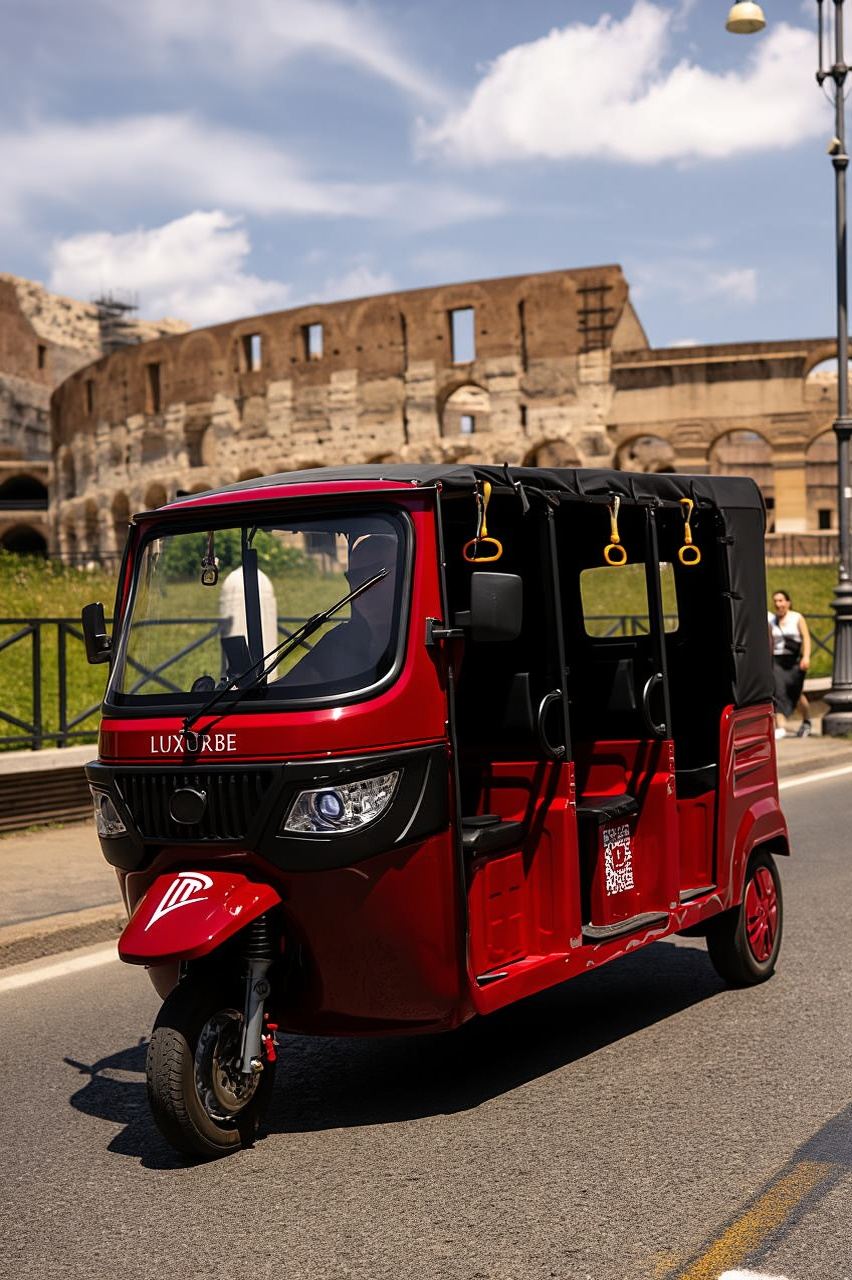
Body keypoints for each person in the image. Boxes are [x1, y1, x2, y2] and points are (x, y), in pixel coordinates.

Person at [277, 532, 398, 693]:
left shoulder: (417, 641)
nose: (363, 586)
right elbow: (290, 687)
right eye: (355, 576)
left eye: (375, 575)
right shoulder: (340, 641)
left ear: (403, 572)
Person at [768, 589, 812, 739]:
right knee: (778, 692)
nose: (778, 604)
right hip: (777, 661)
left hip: (794, 661)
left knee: (797, 694)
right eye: (775, 601)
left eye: (781, 600)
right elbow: (770, 642)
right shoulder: (772, 621)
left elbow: (806, 638)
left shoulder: (796, 617)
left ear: (788, 602)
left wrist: (806, 657)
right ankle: (780, 727)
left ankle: (807, 720)